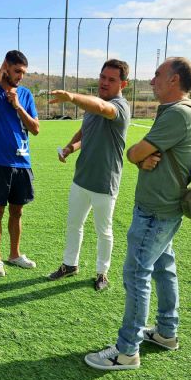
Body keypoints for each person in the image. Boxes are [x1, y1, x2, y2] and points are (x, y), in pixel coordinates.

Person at [85, 57, 191, 370]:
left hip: (156, 210)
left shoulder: (178, 113)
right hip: (164, 207)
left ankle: (127, 351)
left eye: (158, 75)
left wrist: (141, 155)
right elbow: (141, 155)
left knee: (137, 274)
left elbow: (135, 152)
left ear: (174, 80)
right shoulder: (183, 111)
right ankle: (166, 332)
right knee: (164, 268)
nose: (152, 81)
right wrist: (143, 156)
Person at [47, 59, 131, 291]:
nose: (104, 82)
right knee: (74, 224)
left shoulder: (120, 107)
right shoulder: (94, 105)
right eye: (103, 77)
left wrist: (72, 97)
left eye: (111, 79)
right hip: (81, 178)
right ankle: (69, 264)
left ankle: (102, 273)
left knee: (104, 231)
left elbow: (103, 109)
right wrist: (69, 148)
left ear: (124, 83)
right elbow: (86, 130)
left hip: (105, 182)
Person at [0, 50, 40, 278]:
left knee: (17, 212)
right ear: (6, 68)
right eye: (16, 71)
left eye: (23, 72)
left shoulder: (25, 95)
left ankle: (14, 254)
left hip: (22, 162)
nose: (21, 76)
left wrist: (18, 107)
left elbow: (36, 129)